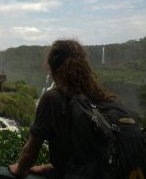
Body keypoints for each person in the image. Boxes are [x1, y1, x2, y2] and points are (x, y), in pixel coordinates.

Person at [8, 39, 142, 179]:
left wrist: (19, 169)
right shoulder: (103, 98)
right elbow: (92, 153)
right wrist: (49, 168)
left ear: (52, 68)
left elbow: (29, 153)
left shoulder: (53, 98)